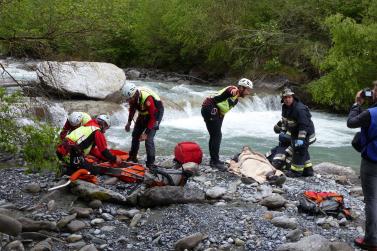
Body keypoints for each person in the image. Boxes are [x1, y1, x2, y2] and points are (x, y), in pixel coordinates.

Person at [201, 78, 253, 171]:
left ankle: (214, 160)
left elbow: (224, 109)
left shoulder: (236, 100)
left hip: (217, 111)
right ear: (241, 88)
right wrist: (234, 91)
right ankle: (214, 161)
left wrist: (220, 117)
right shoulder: (233, 89)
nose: (248, 92)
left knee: (215, 135)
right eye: (247, 90)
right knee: (216, 136)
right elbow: (230, 90)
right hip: (210, 107)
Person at [348, 88, 377, 250]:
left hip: (372, 161)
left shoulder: (370, 114)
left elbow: (351, 123)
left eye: (373, 91)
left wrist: (356, 103)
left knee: (372, 200)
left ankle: (372, 240)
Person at [56, 114, 121, 174]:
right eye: (106, 127)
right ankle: (67, 170)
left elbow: (83, 144)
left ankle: (67, 165)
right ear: (103, 124)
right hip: (71, 153)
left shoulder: (87, 126)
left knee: (86, 162)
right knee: (94, 170)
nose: (105, 130)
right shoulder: (97, 131)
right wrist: (114, 158)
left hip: (62, 151)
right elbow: (104, 151)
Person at [274, 87, 316, 177]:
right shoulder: (285, 107)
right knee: (303, 150)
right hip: (295, 132)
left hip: (305, 133)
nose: (287, 99)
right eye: (285, 98)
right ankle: (308, 171)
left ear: (293, 97)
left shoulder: (299, 109)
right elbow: (285, 120)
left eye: (289, 97)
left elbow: (303, 125)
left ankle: (296, 172)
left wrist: (301, 138)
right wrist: (283, 131)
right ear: (283, 99)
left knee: (299, 150)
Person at [121, 82, 164, 168]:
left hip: (156, 114)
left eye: (130, 99)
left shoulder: (147, 99)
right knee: (135, 135)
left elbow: (152, 117)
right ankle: (133, 157)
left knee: (148, 139)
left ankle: (150, 163)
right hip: (143, 113)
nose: (129, 101)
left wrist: (146, 133)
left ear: (135, 95)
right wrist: (129, 123)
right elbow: (132, 110)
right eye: (128, 99)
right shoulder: (133, 98)